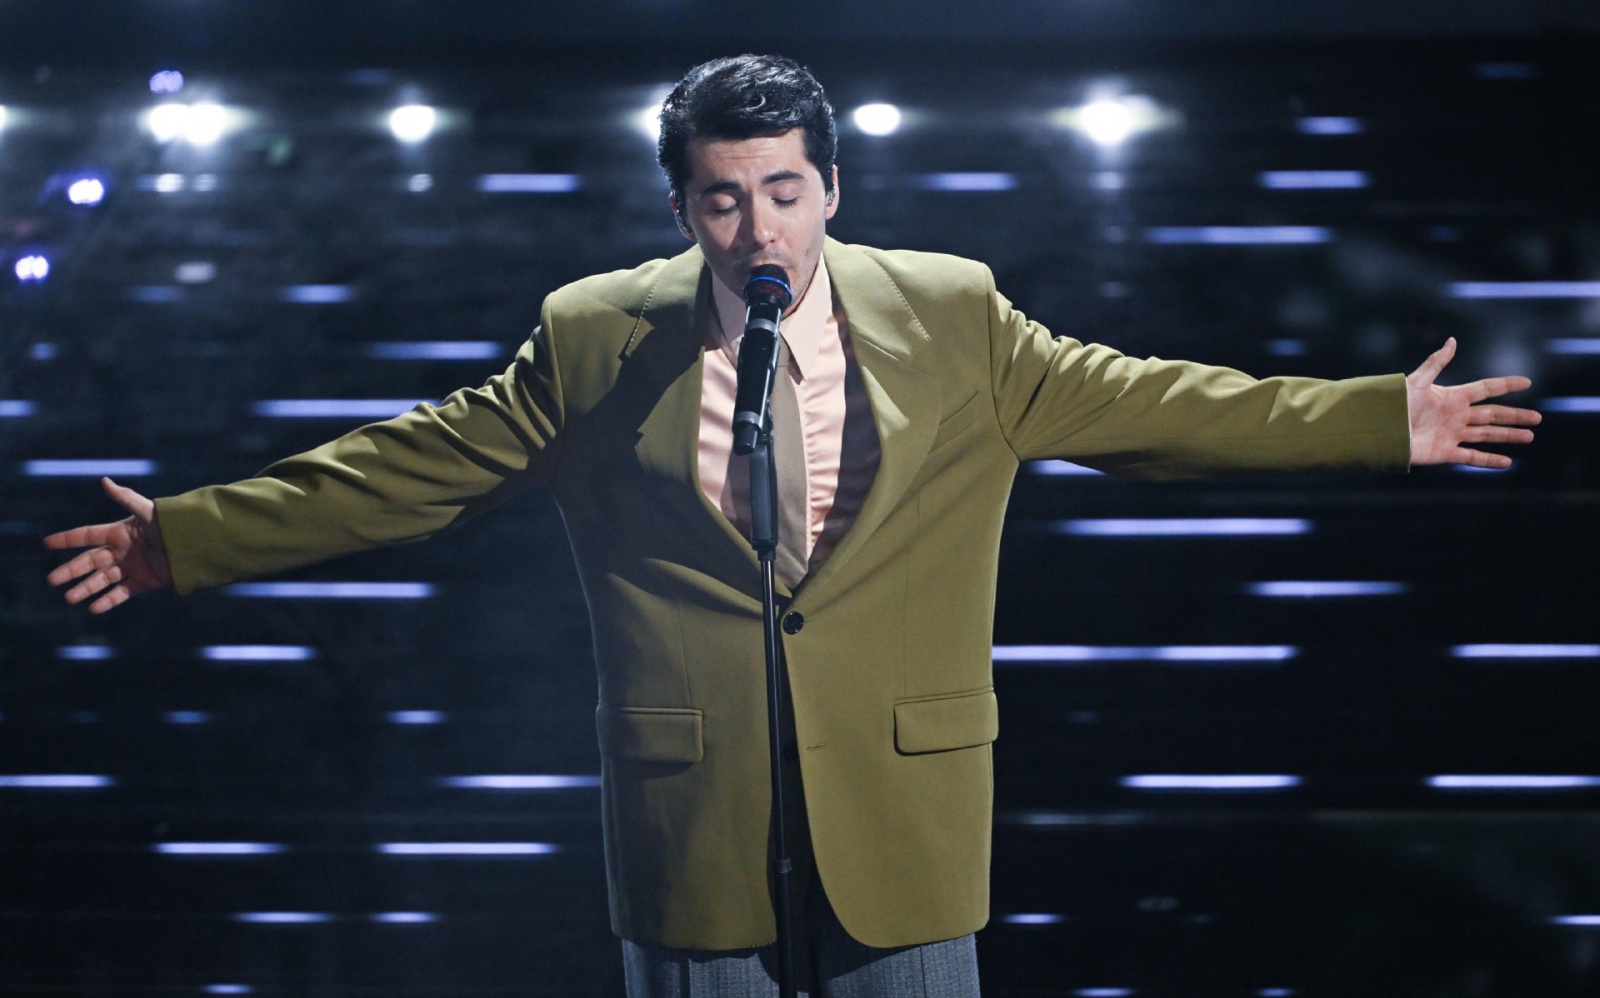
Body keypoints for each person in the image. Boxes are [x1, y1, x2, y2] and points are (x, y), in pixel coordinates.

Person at [45, 54, 1539, 997]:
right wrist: (187, 536)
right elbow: (418, 462)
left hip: (899, 813)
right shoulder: (595, 336)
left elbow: (1146, 400)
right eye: (718, 201)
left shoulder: (949, 313)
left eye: (781, 192)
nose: (756, 231)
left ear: (831, 186)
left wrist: (1369, 417)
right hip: (695, 823)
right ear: (680, 207)